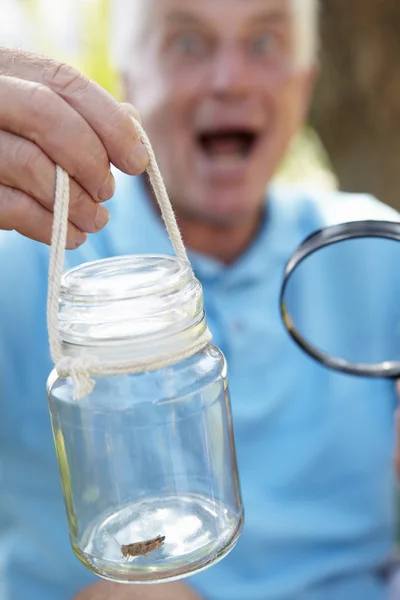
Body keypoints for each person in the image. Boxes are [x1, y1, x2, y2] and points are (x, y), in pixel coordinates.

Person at [1, 1, 400, 599]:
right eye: (188, 44)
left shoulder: (374, 250)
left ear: (305, 79)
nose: (230, 79)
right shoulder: (26, 254)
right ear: (127, 80)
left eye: (265, 44)